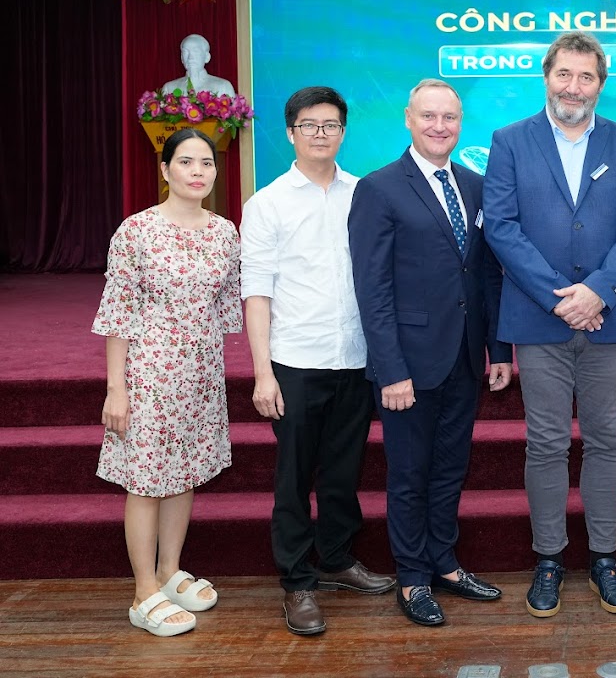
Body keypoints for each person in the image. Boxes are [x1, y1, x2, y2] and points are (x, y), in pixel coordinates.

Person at [483, 31, 616, 618]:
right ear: (546, 76)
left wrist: (598, 291)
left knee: (607, 440)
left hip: (608, 318)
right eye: (564, 74)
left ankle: (604, 557)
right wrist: (560, 299)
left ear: (601, 85)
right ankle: (549, 558)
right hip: (539, 319)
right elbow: (501, 227)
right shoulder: (510, 141)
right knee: (547, 443)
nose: (573, 87)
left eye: (586, 77)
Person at [349, 79, 513, 628]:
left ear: (460, 123)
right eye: (429, 116)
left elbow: (488, 274)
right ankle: (412, 576)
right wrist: (390, 370)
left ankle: (444, 563)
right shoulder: (378, 188)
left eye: (449, 117)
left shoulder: (476, 186)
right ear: (408, 118)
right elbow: (372, 288)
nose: (439, 126)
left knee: (449, 470)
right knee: (409, 474)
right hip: (408, 365)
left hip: (465, 357)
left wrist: (497, 349)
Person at [241, 86, 395, 637]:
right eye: (309, 125)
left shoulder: (365, 194)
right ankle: (297, 581)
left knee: (343, 469)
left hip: (355, 356)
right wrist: (263, 373)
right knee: (294, 476)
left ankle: (335, 558)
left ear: (343, 132)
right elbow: (256, 292)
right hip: (295, 360)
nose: (321, 134)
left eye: (330, 125)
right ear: (291, 133)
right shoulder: (268, 203)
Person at [95, 127, 240, 637]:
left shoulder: (225, 232)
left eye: (206, 162)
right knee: (146, 479)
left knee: (187, 471)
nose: (198, 171)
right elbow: (118, 313)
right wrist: (117, 389)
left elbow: (225, 307)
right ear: (165, 169)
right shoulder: (136, 231)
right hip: (149, 374)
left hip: (202, 374)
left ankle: (169, 572)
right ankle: (143, 593)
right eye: (186, 161)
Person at [161, 33, 237, 97]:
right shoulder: (169, 88)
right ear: (181, 58)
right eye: (185, 52)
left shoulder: (223, 86)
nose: (190, 57)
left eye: (196, 51)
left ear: (207, 57)